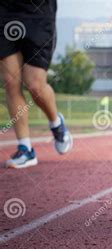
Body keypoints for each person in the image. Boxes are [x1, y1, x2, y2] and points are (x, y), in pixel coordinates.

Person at [0, 0, 72, 169]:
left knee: (35, 85)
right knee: (11, 82)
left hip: (38, 13)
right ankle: (25, 148)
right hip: (5, 12)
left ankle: (56, 122)